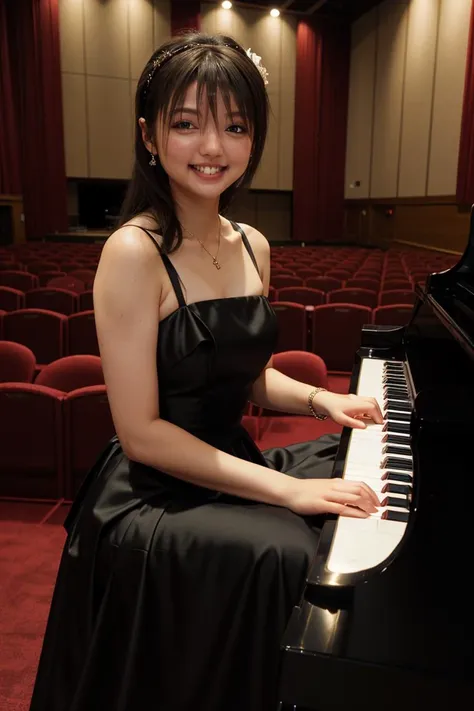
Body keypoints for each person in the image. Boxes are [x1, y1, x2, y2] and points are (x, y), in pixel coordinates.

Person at [29, 31, 383, 711]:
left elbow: (248, 378)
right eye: (187, 124)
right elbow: (143, 436)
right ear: (150, 136)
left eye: (234, 125)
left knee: (347, 467)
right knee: (287, 546)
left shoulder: (253, 242)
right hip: (153, 491)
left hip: (225, 458)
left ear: (254, 139)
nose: (213, 146)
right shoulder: (132, 252)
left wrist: (322, 399)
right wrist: (284, 491)